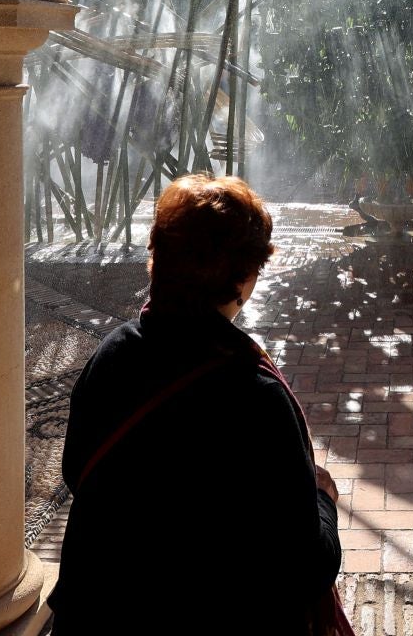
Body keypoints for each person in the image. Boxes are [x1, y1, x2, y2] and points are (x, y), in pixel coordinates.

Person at [50, 174, 343, 635]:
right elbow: (307, 567)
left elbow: (77, 472)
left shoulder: (111, 356)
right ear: (245, 275)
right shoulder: (255, 396)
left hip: (97, 613)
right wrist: (322, 501)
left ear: (158, 259)